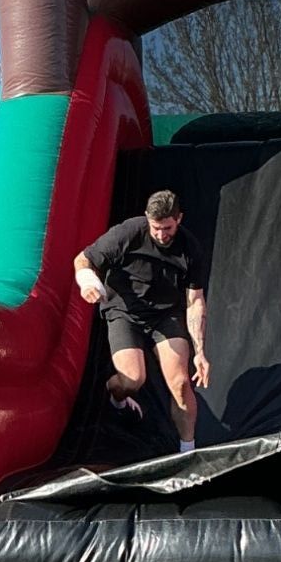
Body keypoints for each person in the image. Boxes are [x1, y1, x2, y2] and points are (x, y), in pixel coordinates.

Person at [73, 190, 210, 453]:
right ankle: (116, 396)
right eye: (156, 228)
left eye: (167, 228)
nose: (161, 234)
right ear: (147, 219)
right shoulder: (129, 232)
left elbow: (195, 302)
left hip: (165, 314)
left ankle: (188, 451)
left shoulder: (190, 248)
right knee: (132, 379)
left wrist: (200, 352)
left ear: (179, 219)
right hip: (124, 310)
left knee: (181, 384)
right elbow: (83, 259)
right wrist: (87, 281)